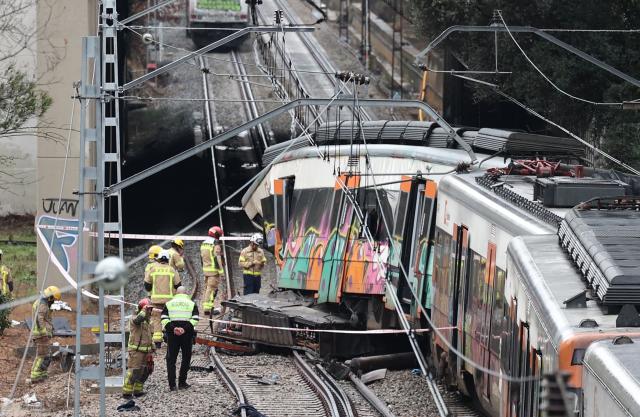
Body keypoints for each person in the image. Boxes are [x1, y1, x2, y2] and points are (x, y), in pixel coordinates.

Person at [161, 286, 199, 391]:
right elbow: (195, 318)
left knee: (171, 359)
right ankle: (182, 382)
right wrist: (184, 329)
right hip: (187, 334)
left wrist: (173, 329)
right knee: (186, 357)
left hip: (172, 335)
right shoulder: (191, 304)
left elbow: (163, 318)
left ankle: (172, 385)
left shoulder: (169, 303)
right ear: (185, 293)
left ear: (176, 293)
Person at [144, 250, 181, 348]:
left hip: (156, 300)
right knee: (169, 319)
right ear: (168, 259)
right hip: (169, 301)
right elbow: (178, 285)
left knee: (156, 319)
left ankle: (157, 342)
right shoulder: (172, 270)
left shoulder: (153, 269)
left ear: (159, 259)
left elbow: (147, 285)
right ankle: (169, 337)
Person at [123, 298, 154, 398]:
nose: (150, 311)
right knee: (134, 372)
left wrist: (152, 347)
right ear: (142, 309)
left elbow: (149, 335)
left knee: (145, 371)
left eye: (150, 309)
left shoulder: (147, 321)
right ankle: (126, 392)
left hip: (146, 351)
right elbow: (138, 321)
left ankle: (138, 391)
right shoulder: (134, 318)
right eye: (148, 309)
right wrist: (144, 311)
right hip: (136, 351)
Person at [30, 286, 60, 382]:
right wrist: (44, 333)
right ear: (50, 297)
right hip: (41, 335)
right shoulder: (42, 304)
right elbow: (39, 319)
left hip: (42, 334)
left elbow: (45, 319)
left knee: (46, 354)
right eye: (54, 299)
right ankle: (35, 375)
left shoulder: (43, 303)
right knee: (41, 355)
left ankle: (42, 373)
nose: (53, 301)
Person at [200, 226, 224, 315]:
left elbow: (201, 258)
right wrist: (221, 272)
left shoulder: (204, 244)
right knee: (211, 290)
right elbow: (218, 259)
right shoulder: (215, 245)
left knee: (207, 289)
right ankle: (208, 310)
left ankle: (206, 308)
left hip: (206, 270)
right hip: (213, 272)